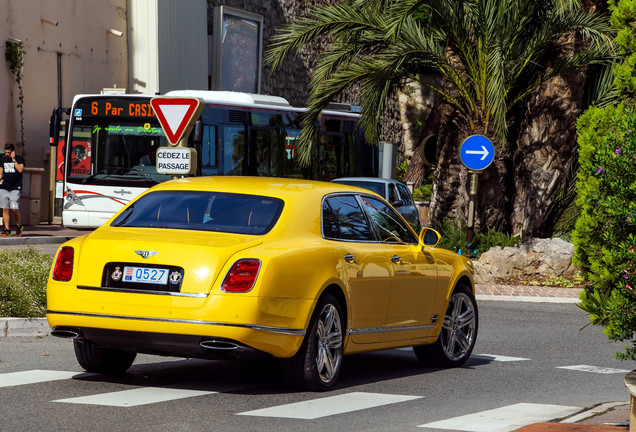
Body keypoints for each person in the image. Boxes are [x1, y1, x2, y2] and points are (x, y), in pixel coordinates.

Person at [0, 143, 25, 237]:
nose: (7, 154)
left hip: (15, 187)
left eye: (9, 152)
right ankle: (7, 230)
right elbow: (0, 174)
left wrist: (13, 159)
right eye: (6, 152)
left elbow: (20, 170)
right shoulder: (2, 160)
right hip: (4, 187)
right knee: (5, 209)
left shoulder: (19, 159)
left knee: (14, 208)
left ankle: (19, 226)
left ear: (13, 152)